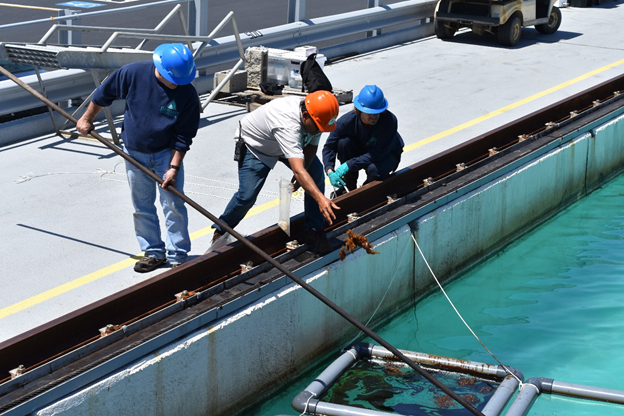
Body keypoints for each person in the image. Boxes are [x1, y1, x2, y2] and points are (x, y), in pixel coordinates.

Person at [76, 43, 200, 273]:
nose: (177, 84)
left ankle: (178, 256)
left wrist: (173, 167)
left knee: (173, 205)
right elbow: (103, 95)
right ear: (159, 69)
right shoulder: (132, 73)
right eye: (173, 79)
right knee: (142, 206)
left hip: (166, 154)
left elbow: (184, 136)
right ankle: (153, 252)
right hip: (134, 153)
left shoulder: (187, 93)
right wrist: (86, 119)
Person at [211, 91, 340, 255]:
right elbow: (298, 169)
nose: (318, 131)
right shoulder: (288, 123)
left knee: (315, 174)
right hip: (257, 145)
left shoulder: (316, 116)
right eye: (318, 127)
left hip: (284, 144)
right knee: (247, 196)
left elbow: (311, 147)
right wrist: (320, 198)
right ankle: (221, 229)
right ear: (305, 116)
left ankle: (314, 229)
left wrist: (304, 174)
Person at [322, 85, 404, 195]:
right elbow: (329, 147)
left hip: (387, 154)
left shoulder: (389, 121)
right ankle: (349, 186)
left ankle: (368, 191)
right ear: (359, 110)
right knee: (343, 143)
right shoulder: (346, 122)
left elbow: (378, 154)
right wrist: (329, 170)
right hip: (363, 148)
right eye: (370, 113)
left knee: (374, 170)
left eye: (377, 113)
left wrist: (349, 164)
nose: (374, 117)